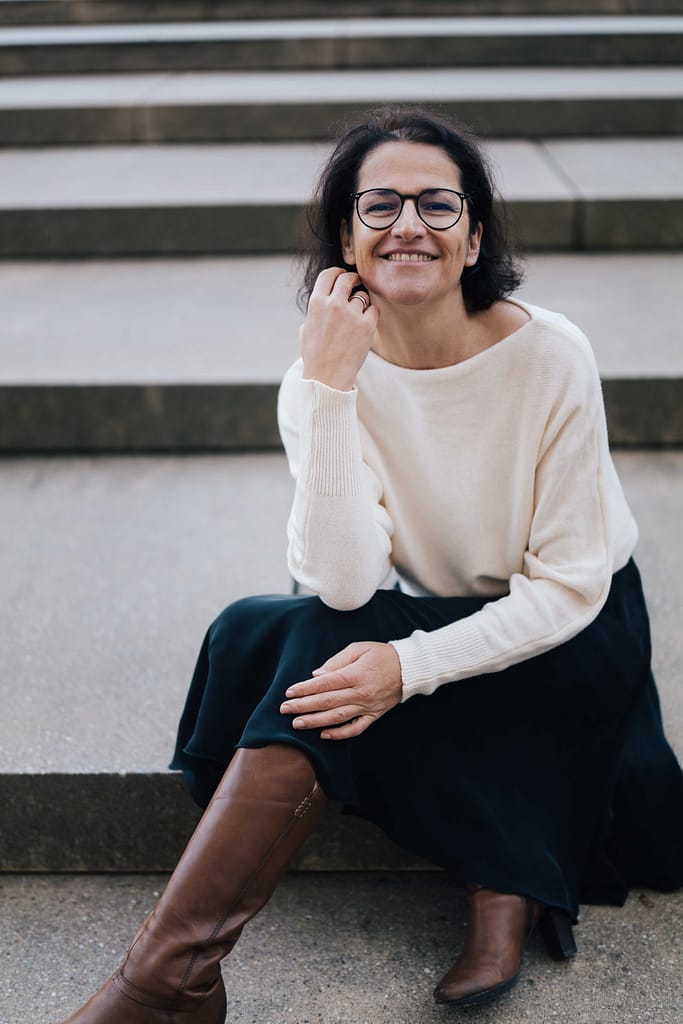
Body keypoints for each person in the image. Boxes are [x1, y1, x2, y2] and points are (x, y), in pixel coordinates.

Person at [57, 107, 682, 1023]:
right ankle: (171, 979)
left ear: (474, 237)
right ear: (345, 237)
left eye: (438, 203)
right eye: (379, 203)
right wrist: (330, 392)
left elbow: (567, 588)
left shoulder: (549, 354)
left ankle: (164, 982)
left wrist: (409, 666)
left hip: (571, 633)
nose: (408, 224)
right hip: (428, 605)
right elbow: (347, 584)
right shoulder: (318, 376)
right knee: (276, 629)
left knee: (304, 649)